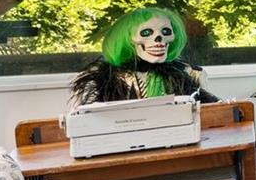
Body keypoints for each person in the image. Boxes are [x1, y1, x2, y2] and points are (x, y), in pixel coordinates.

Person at [69, 6, 218, 105]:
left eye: (165, 32)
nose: (158, 39)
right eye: (146, 33)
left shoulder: (191, 74)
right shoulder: (108, 80)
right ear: (127, 40)